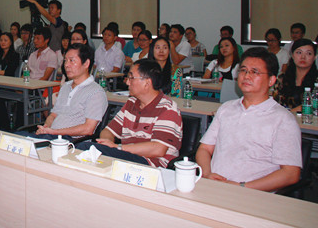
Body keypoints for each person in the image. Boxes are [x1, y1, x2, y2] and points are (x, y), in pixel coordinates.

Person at [196, 47, 302, 192]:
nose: (246, 76)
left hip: (253, 194)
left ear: (271, 80)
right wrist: (207, 174)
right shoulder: (226, 109)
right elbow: (204, 149)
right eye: (243, 70)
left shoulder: (283, 119)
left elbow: (291, 173)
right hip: (214, 188)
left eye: (254, 72)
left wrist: (242, 187)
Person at [78, 59, 182, 168]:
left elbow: (158, 149)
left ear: (147, 83)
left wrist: (117, 148)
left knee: (84, 148)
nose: (127, 82)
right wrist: (107, 144)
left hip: (153, 165)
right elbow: (108, 131)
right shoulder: (131, 103)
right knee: (86, 152)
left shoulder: (168, 109)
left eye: (131, 78)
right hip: (127, 157)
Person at [25, 44, 108, 140]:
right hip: (51, 137)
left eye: (72, 61)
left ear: (86, 63)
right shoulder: (65, 87)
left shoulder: (96, 92)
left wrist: (54, 132)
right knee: (18, 137)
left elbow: (88, 129)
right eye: (65, 60)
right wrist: (45, 128)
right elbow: (53, 115)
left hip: (71, 142)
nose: (66, 65)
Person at [273, 39, 317, 112]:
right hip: (283, 117)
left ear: (314, 57)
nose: (303, 57)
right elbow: (275, 104)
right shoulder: (282, 78)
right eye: (299, 52)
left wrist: (292, 112)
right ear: (292, 55)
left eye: (308, 53)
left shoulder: (316, 80)